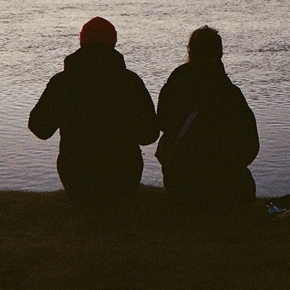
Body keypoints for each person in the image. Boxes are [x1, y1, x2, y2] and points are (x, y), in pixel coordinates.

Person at [29, 17, 159, 202]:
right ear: (114, 41)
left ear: (81, 41)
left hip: (77, 180)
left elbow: (39, 128)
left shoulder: (63, 82)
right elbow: (149, 135)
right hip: (123, 179)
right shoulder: (130, 82)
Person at [156, 26, 259, 206]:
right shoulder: (231, 94)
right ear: (220, 53)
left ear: (190, 51)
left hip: (180, 186)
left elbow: (163, 125)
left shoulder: (173, 87)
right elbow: (251, 146)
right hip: (227, 188)